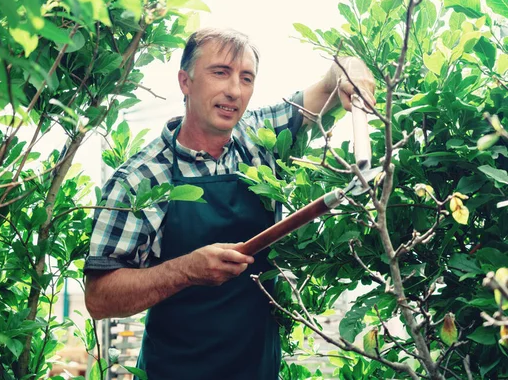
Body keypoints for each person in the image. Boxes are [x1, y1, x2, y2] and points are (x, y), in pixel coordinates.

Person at [84, 28, 374, 380]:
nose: (234, 91)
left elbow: (329, 87)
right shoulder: (140, 179)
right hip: (175, 371)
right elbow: (99, 298)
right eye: (220, 72)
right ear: (185, 81)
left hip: (257, 370)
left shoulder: (260, 139)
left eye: (246, 78)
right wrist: (185, 270)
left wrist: (349, 67)